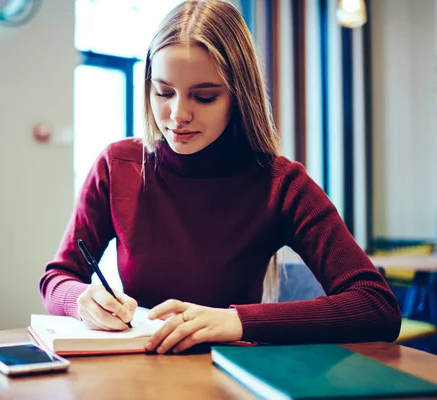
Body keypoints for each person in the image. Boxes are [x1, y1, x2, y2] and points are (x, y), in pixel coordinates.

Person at [39, 0, 401, 354]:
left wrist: (236, 322)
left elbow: (376, 306)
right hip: (137, 373)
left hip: (233, 378)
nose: (178, 115)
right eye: (163, 92)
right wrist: (81, 301)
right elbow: (56, 279)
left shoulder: (281, 185)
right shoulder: (117, 166)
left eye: (205, 97)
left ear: (239, 97)